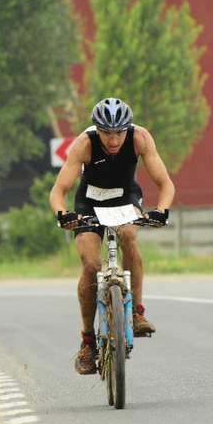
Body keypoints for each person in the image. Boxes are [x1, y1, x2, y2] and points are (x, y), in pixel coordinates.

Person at [49, 97, 175, 374]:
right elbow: (58, 191)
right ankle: (87, 341)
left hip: (125, 197)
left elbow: (165, 184)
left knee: (129, 236)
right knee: (91, 264)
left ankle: (137, 314)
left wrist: (162, 211)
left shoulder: (140, 138)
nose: (113, 139)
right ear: (97, 130)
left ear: (127, 129)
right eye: (106, 132)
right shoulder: (84, 144)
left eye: (118, 132)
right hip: (89, 202)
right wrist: (63, 214)